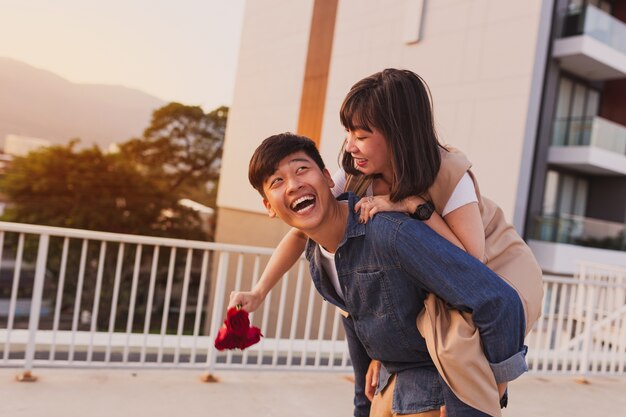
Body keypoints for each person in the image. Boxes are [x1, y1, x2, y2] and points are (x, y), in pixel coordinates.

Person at [231, 69, 543, 416]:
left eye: (361, 135)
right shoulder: (354, 171)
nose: (349, 145)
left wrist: (411, 205)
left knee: (458, 343)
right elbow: (302, 232)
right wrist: (260, 290)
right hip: (445, 265)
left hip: (499, 262)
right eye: (348, 132)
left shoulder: (449, 174)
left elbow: (469, 265)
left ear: (398, 136)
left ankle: (491, 393)